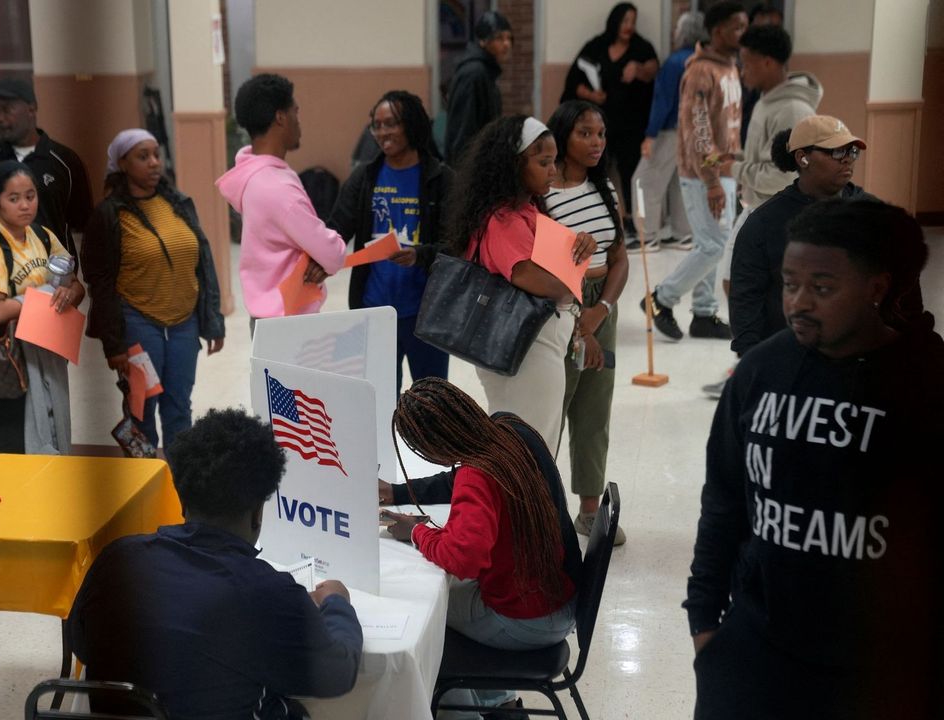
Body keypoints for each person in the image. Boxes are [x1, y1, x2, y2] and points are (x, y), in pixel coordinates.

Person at [685, 199, 942, 718]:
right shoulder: (760, 372)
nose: (798, 302)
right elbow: (724, 504)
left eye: (822, 288)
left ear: (877, 288)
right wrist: (707, 629)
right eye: (789, 283)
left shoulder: (924, 383)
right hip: (758, 651)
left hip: (882, 669)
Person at [68, 408, 362, 719]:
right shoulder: (269, 593)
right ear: (257, 514)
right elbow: (337, 674)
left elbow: (83, 645)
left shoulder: (116, 560)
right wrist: (336, 602)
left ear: (181, 500)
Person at [383, 378, 581, 718]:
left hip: (527, 620)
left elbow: (464, 559)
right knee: (444, 598)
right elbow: (466, 502)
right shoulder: (508, 431)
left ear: (431, 445)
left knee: (426, 621)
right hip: (556, 597)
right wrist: (405, 498)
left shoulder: (476, 473)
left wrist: (418, 532)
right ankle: (500, 707)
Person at [0, 78, 92, 453]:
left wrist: (69, 290)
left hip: (48, 332)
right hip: (5, 344)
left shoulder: (64, 164)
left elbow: (79, 235)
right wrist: (38, 296)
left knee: (53, 418)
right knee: (6, 425)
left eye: (8, 108)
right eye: (13, 198)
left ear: (31, 107)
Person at [446, 114, 595, 450]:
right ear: (513, 164)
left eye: (554, 161)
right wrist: (571, 282)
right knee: (529, 447)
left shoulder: (526, 211)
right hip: (526, 350)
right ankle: (528, 503)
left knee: (537, 441)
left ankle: (535, 502)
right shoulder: (503, 219)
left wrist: (578, 249)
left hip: (535, 348)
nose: (553, 171)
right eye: (544, 162)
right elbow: (525, 274)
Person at [84, 129, 225, 448]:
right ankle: (146, 488)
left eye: (156, 155)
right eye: (142, 156)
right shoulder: (109, 214)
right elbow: (100, 284)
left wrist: (213, 320)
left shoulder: (178, 203)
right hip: (137, 324)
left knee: (179, 410)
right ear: (122, 163)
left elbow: (203, 262)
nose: (153, 163)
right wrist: (114, 345)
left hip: (183, 324)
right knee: (142, 413)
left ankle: (180, 486)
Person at [701, 24, 820, 398]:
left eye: (747, 62)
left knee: (747, 289)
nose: (742, 69)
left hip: (774, 213)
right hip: (754, 208)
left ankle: (757, 365)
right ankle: (749, 363)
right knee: (736, 285)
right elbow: (767, 160)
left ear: (769, 62)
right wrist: (739, 158)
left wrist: (733, 170)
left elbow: (786, 174)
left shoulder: (792, 107)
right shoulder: (770, 98)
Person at [327, 90, 453, 389]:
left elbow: (458, 246)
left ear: (411, 124)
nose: (382, 132)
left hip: (427, 316)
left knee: (433, 402)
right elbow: (335, 231)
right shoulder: (365, 178)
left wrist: (419, 255)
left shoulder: (441, 179)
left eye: (391, 124)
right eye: (377, 125)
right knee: (380, 402)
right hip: (375, 312)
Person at [729, 116, 886, 357]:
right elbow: (746, 302)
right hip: (790, 361)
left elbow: (903, 292)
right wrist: (753, 365)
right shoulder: (763, 224)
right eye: (836, 151)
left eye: (852, 151)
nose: (847, 158)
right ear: (803, 158)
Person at [545, 101, 630, 546]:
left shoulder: (605, 189)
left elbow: (619, 258)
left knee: (595, 408)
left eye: (600, 134)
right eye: (585, 133)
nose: (596, 142)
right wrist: (580, 322)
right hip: (561, 305)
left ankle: (589, 510)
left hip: (600, 307)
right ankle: (538, 506)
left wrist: (603, 312)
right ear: (563, 136)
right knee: (553, 406)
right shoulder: (544, 194)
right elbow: (545, 264)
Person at [641, 2, 747, 342]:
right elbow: (697, 128)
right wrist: (713, 180)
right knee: (713, 246)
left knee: (716, 242)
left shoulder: (730, 67)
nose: (742, 34)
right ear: (717, 31)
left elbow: (728, 126)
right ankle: (661, 299)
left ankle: (703, 313)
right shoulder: (700, 71)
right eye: (736, 27)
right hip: (703, 176)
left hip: (725, 172)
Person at [0, 160, 85, 454]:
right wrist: (44, 293)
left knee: (56, 429)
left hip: (48, 348)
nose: (24, 206)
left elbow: (76, 285)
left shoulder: (43, 235)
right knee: (17, 445)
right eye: (14, 198)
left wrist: (68, 294)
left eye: (30, 196)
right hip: (10, 364)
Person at [216, 74, 347, 327]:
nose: (299, 122)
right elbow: (333, 254)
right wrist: (326, 253)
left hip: (269, 317)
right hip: (287, 321)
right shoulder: (277, 188)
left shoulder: (253, 172)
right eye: (295, 112)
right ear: (280, 117)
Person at [561, 3, 659, 236]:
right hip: (599, 125)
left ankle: (632, 222)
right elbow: (574, 81)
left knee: (630, 172)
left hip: (631, 124)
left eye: (632, 22)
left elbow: (653, 71)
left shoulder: (641, 48)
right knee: (597, 168)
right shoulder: (596, 46)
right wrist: (591, 95)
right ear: (614, 21)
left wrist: (640, 69)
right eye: (624, 21)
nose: (628, 26)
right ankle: (596, 217)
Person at [631, 11, 703, 252]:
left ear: (682, 33)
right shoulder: (704, 61)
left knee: (643, 180)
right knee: (679, 182)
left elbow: (663, 101)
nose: (673, 33)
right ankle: (685, 233)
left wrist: (650, 135)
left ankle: (647, 235)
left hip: (671, 131)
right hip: (695, 133)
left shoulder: (674, 63)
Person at [443, 11, 512, 164]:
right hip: (468, 170)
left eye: (509, 38)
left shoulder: (486, 72)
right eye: (499, 38)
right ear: (483, 41)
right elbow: (463, 131)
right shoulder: (474, 74)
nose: (506, 44)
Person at [739, 3, 786, 146]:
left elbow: (777, 168)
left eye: (774, 26)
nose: (742, 73)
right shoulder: (762, 102)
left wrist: (735, 168)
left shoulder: (789, 110)